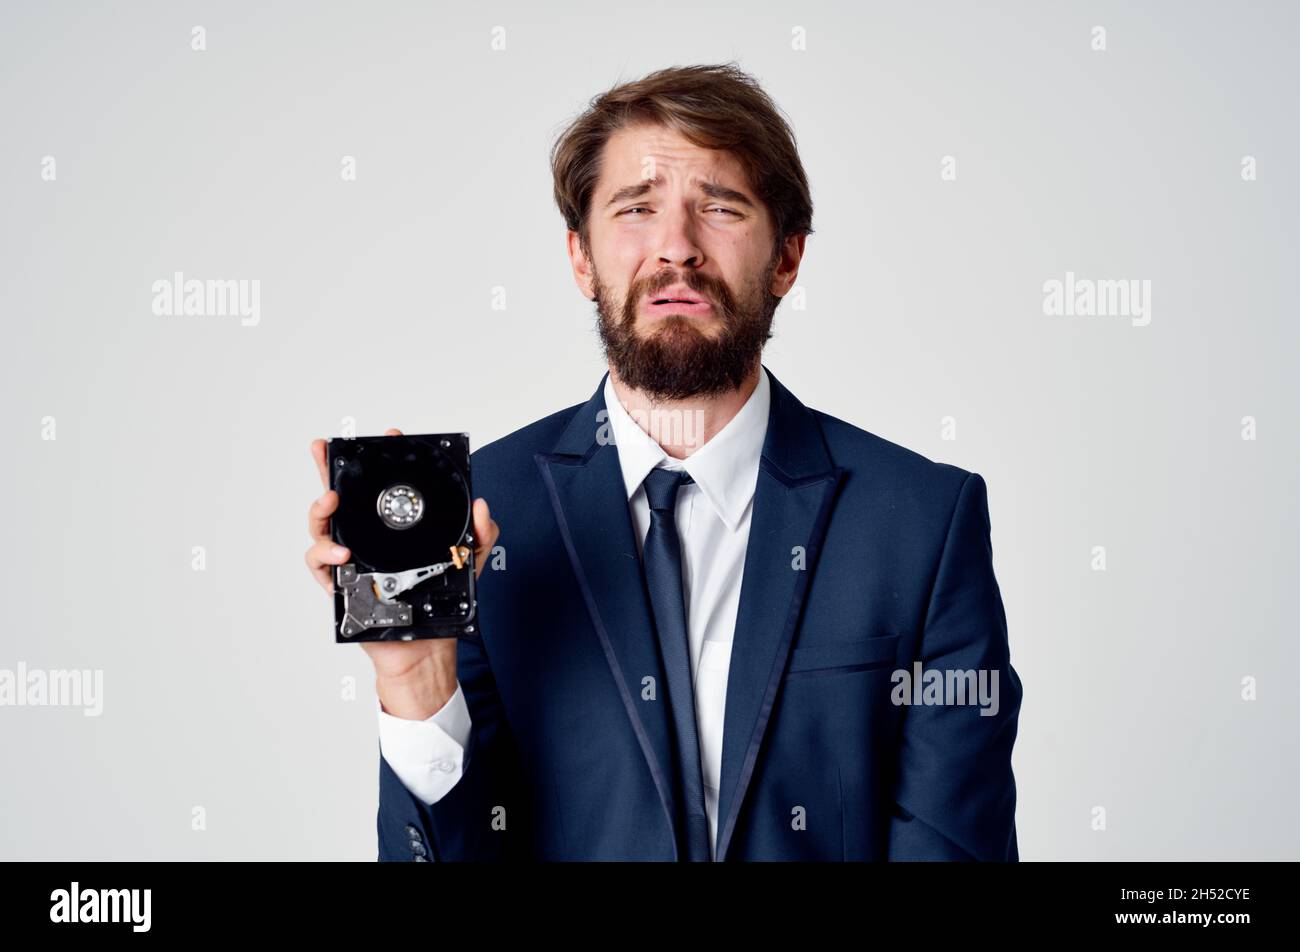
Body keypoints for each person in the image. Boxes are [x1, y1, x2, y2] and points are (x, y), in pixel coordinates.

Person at [304, 63, 1022, 861]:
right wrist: (415, 684)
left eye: (718, 208)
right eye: (636, 210)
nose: (675, 247)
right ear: (582, 258)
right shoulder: (480, 520)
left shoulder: (921, 522)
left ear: (786, 258)